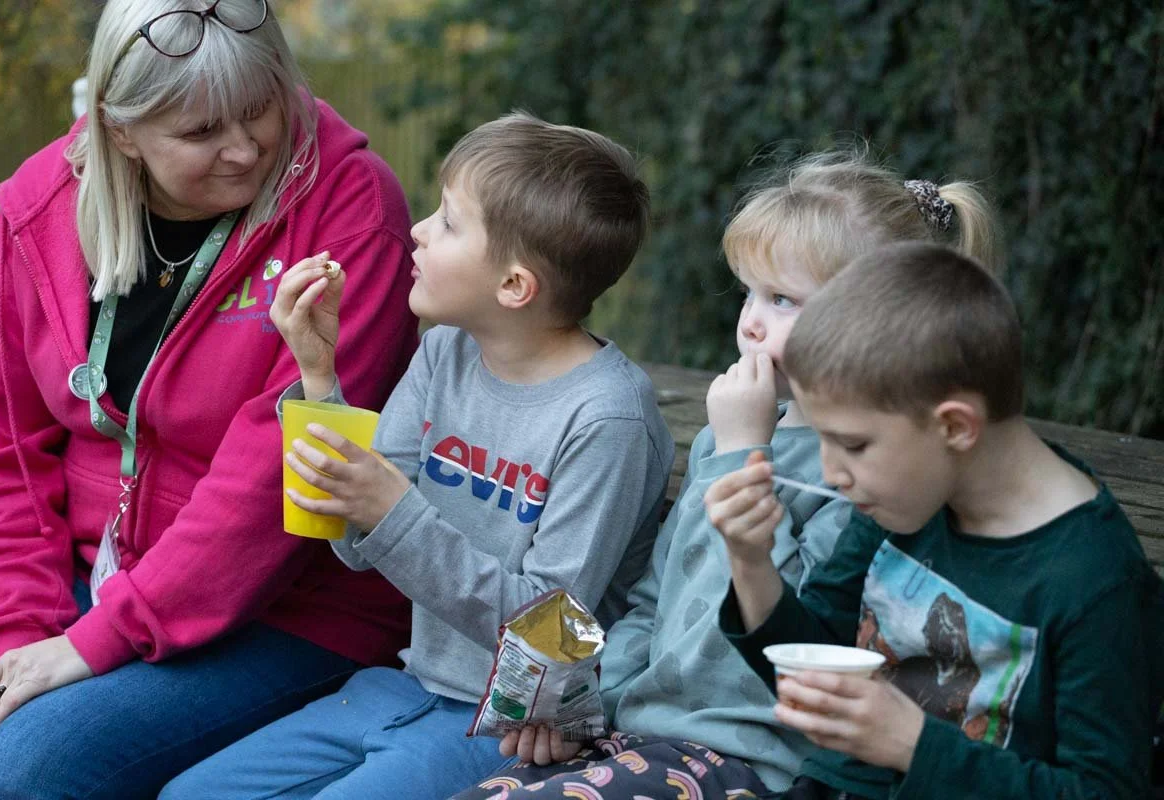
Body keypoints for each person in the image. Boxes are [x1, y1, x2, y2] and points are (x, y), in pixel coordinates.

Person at [0, 1, 419, 797]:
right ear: (120, 129)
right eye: (201, 132)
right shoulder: (37, 212)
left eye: (260, 110)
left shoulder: (349, 212)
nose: (244, 150)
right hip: (81, 578)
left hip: (287, 609)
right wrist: (20, 640)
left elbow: (273, 474)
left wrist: (91, 646)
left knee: (30, 764)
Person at [448, 152, 1003, 799]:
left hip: (750, 759)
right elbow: (654, 601)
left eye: (783, 299)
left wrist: (744, 454)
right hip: (643, 740)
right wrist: (588, 708)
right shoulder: (728, 431)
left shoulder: (866, 472)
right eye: (749, 291)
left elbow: (783, 639)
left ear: (880, 323)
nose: (751, 320)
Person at [160, 111, 675, 799]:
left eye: (451, 223)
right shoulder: (443, 353)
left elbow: (552, 637)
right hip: (406, 684)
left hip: (510, 727)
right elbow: (351, 543)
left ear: (515, 287)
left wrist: (392, 511)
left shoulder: (606, 417)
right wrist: (317, 374)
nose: (420, 230)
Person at [709, 241, 1164, 799]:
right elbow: (812, 672)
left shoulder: (1093, 581)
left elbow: (1107, 791)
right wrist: (750, 561)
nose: (833, 471)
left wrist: (913, 745)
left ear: (954, 427)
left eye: (852, 444)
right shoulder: (905, 502)